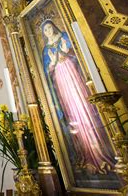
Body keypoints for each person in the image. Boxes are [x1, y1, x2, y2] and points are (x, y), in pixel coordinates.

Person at [41, 20, 114, 174]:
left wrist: (68, 53)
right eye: (45, 30)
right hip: (61, 81)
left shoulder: (64, 37)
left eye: (49, 27)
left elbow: (79, 55)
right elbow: (47, 72)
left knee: (84, 107)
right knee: (71, 111)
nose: (48, 31)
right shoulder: (46, 50)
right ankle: (85, 155)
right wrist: (53, 63)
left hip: (74, 76)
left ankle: (102, 152)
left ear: (54, 27)